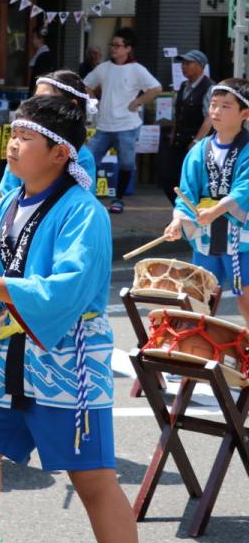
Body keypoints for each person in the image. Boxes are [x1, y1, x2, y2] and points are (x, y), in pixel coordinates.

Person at [0, 96, 139, 543]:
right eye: (14, 134)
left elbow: (65, 291)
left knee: (92, 481)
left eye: (26, 137)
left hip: (70, 360)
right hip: (13, 354)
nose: (13, 145)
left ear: (60, 153)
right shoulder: (7, 203)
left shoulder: (84, 211)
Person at [166, 78, 249, 325]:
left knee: (246, 298)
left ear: (245, 113)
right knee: (202, 296)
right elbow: (187, 193)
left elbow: (245, 188)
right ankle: (200, 348)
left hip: (241, 237)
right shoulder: (199, 150)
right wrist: (177, 220)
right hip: (206, 234)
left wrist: (217, 210)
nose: (216, 111)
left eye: (225, 106)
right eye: (213, 104)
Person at [83, 27, 162, 215]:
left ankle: (118, 199)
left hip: (127, 125)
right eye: (112, 45)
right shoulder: (103, 68)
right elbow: (85, 83)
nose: (113, 49)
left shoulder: (137, 69)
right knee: (88, 160)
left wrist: (138, 102)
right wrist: (93, 99)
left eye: (118, 46)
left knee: (126, 163)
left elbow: (156, 88)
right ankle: (86, 198)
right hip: (103, 125)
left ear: (128, 49)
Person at [0, 70, 98, 195]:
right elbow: (5, 192)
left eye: (45, 99)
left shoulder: (81, 157)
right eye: (14, 135)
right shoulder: (20, 150)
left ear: (61, 153)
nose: (37, 104)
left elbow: (82, 204)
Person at [157, 50, 213, 203]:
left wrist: (196, 141)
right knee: (167, 178)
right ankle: (181, 211)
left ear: (200, 66)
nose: (183, 67)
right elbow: (178, 113)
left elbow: (209, 119)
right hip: (178, 141)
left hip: (197, 143)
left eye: (188, 63)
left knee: (192, 180)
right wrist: (173, 134)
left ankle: (189, 215)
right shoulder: (183, 86)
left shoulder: (209, 87)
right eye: (182, 63)